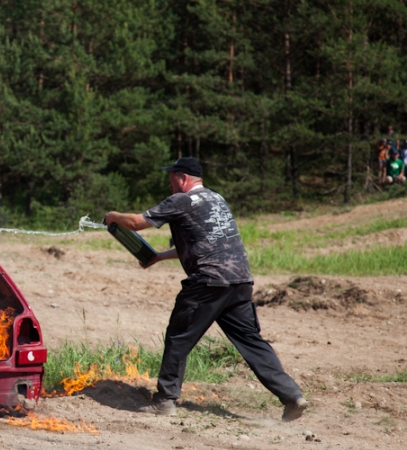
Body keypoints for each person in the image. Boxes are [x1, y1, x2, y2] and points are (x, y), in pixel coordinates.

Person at [103, 157, 307, 422]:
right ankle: (292, 396)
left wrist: (113, 217)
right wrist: (159, 257)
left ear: (184, 178)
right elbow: (206, 244)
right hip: (240, 281)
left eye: (172, 176)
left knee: (179, 337)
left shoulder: (180, 200)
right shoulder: (217, 199)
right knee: (251, 341)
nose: (169, 182)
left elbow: (135, 223)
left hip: (208, 282)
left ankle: (165, 400)